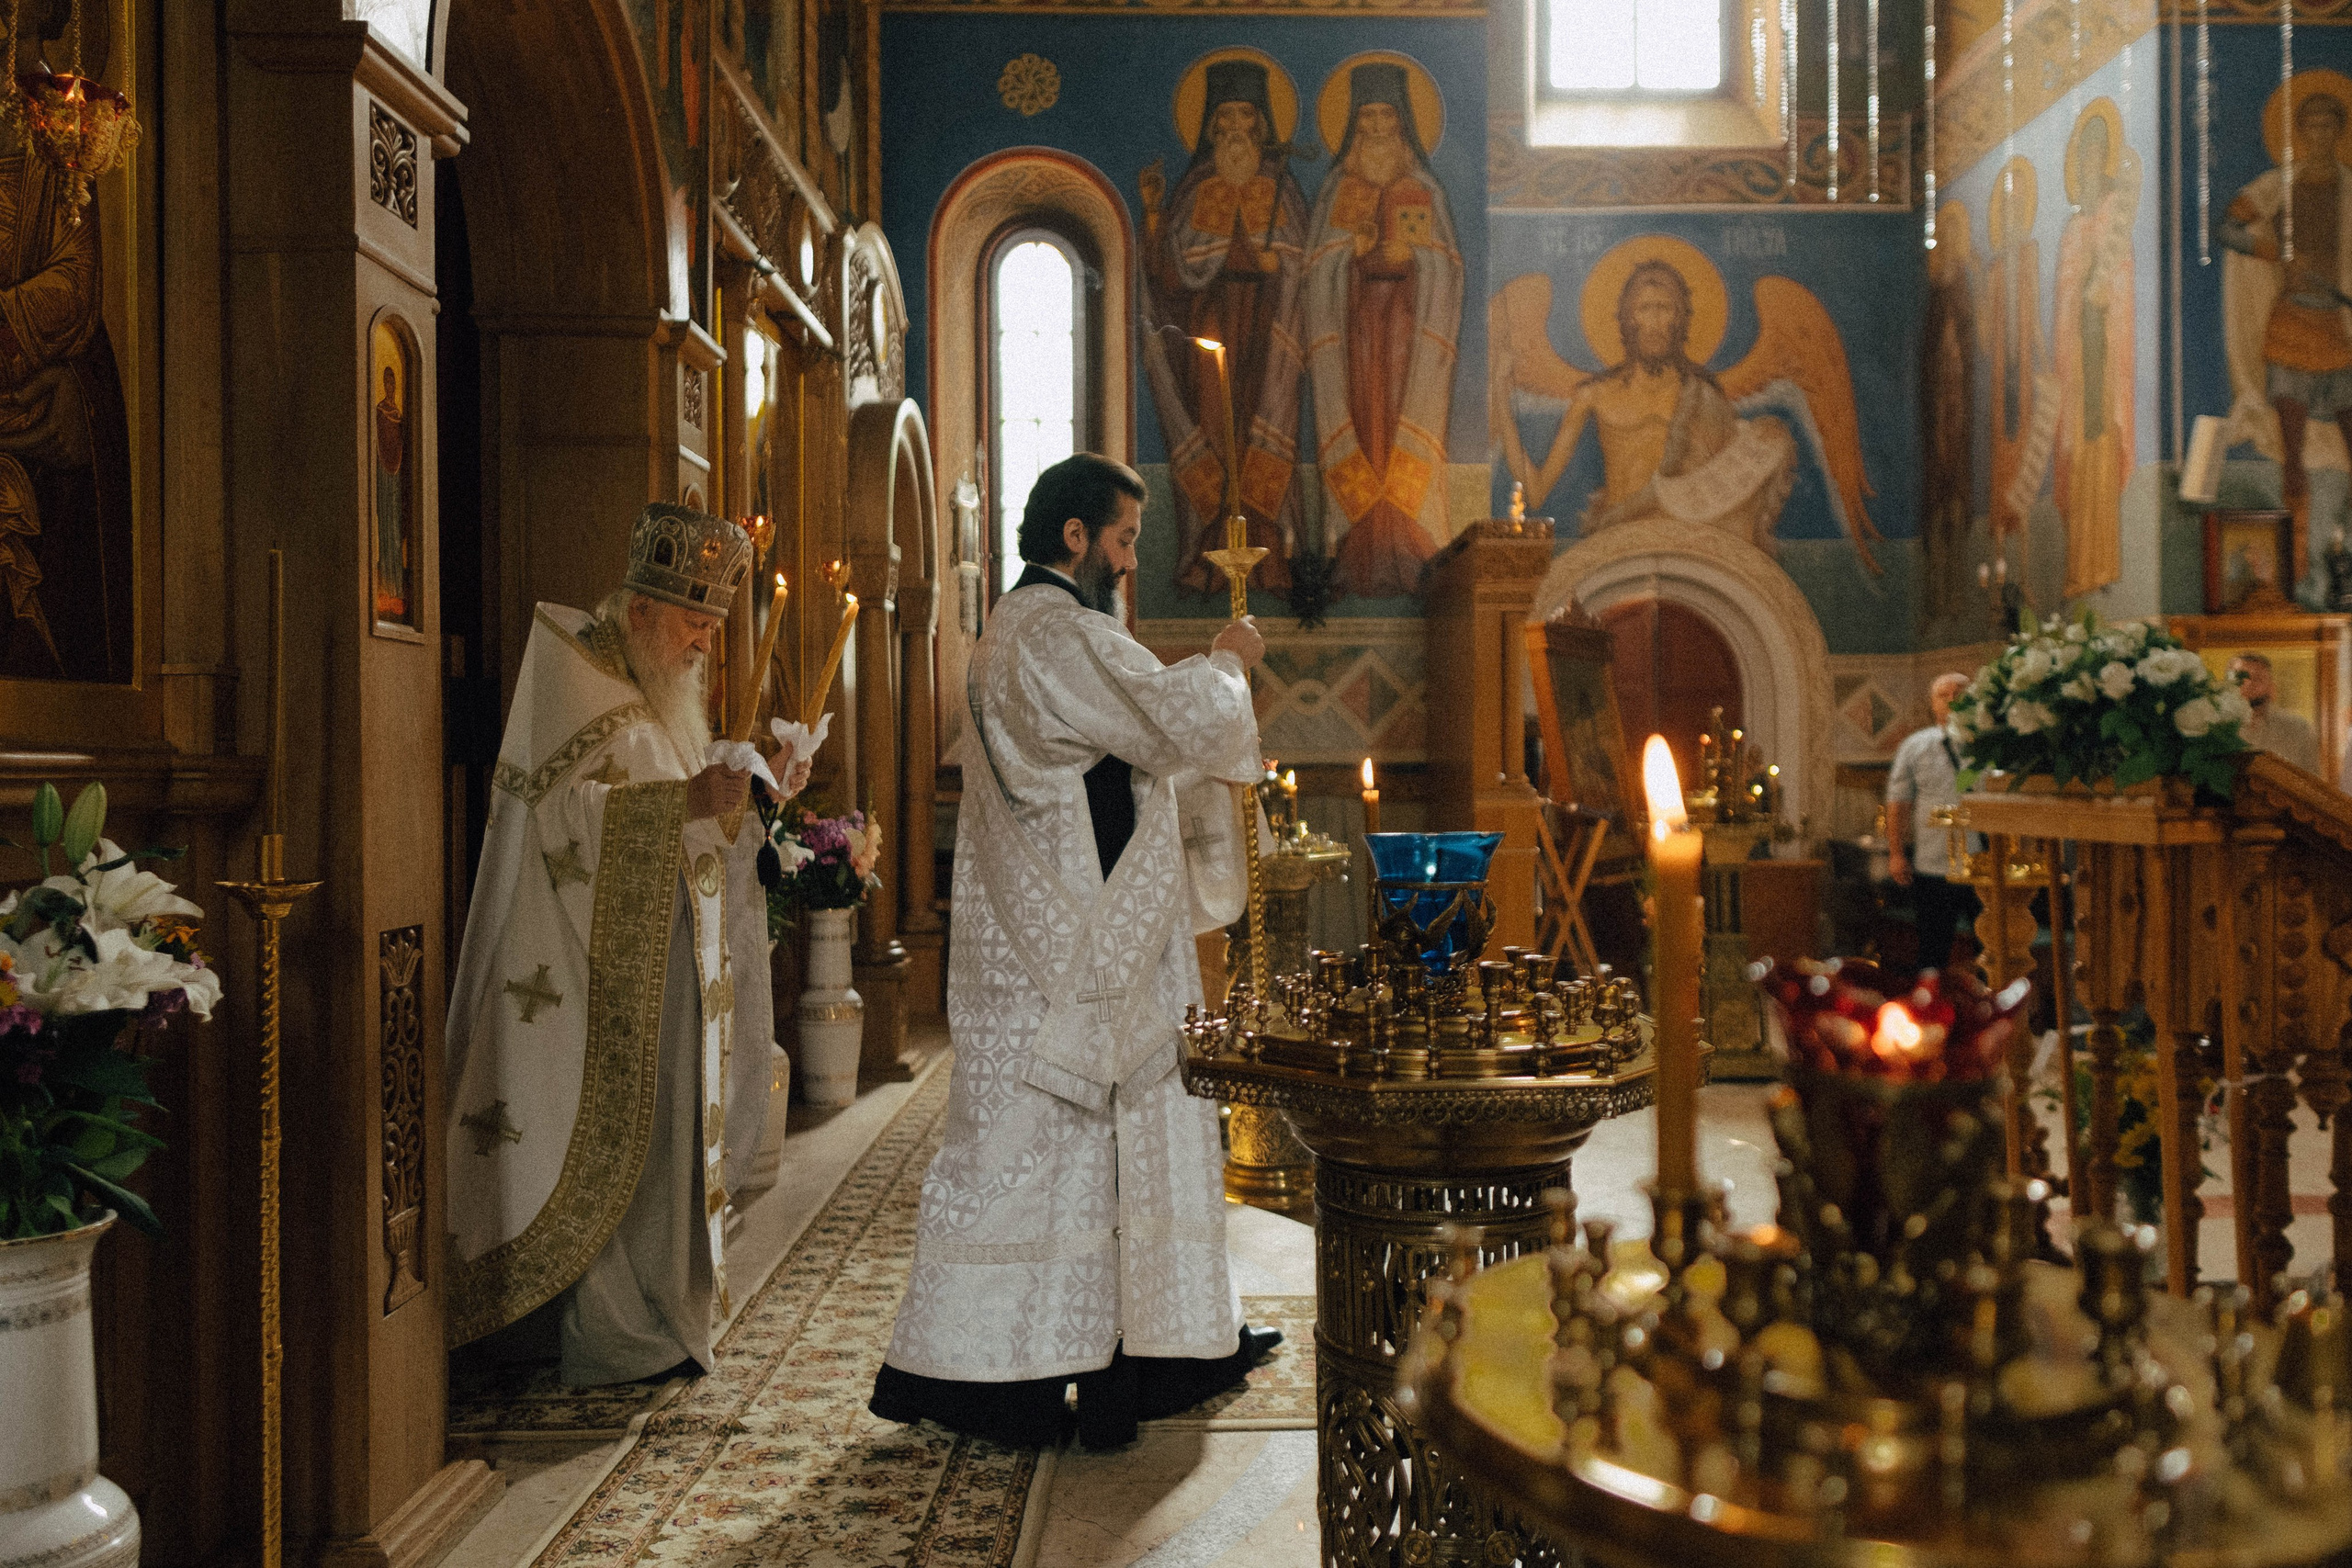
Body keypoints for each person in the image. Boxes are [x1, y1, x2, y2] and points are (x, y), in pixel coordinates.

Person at [870, 452, 1280, 1450]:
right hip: (1092, 944)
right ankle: (1118, 1365)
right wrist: (1231, 662)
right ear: (1074, 536)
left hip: (1040, 933)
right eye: (1125, 539)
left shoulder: (1007, 633)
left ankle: (1066, 1367)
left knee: (1041, 1151)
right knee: (1098, 1138)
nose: (1129, 561)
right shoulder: (1059, 633)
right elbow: (1168, 718)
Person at [444, 502, 815, 1386]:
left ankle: (651, 1305)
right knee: (612, 1139)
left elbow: (689, 806)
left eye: (715, 628)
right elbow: (565, 820)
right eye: (694, 622)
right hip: (575, 966)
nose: (704, 646)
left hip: (654, 955)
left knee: (661, 1145)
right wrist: (688, 804)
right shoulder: (580, 682)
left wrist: (758, 795)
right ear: (641, 609)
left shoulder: (655, 693)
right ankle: (611, 1323)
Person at [1139, 55, 1308, 594]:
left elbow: (1308, 266)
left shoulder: (1283, 188)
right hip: (1207, 335)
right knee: (1217, 439)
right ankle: (1208, 555)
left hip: (1269, 337)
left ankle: (1272, 554)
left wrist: (1276, 265)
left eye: (1246, 117)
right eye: (1226, 119)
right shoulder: (1195, 190)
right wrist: (1151, 217)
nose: (1236, 129)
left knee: (1266, 435)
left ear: (1261, 124)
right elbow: (1166, 276)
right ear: (1212, 127)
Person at [1303, 61, 1463, 599]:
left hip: (1406, 343)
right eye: (1365, 118)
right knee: (1361, 432)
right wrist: (1352, 254)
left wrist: (1413, 260)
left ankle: (1407, 544)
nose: (1374, 129)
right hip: (1354, 338)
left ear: (1403, 125)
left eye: (1385, 118)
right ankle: (1357, 548)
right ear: (1353, 124)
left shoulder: (1422, 188)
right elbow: (1316, 270)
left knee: (1399, 435)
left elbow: (1448, 270)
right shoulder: (1338, 190)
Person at [1886, 671, 1982, 976]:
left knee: (1990, 944)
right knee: (1933, 946)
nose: (1953, 699)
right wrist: (1896, 853)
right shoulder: (1915, 746)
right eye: (1945, 694)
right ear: (1933, 703)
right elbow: (1898, 802)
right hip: (1933, 862)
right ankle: (1929, 1010)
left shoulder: (1990, 742)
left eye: (1960, 692)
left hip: (1983, 861)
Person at [2231, 650, 2322, 773]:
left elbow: (2312, 782)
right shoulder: (2210, 728)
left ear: (2271, 686)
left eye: (2257, 678)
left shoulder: (2298, 729)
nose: (2249, 684)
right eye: (2241, 678)